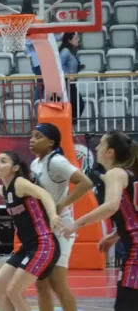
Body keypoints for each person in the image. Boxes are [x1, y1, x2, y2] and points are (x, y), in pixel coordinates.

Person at [63, 131, 138, 310]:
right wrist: (115, 234)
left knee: (125, 306)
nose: (96, 147)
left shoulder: (115, 173)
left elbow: (111, 206)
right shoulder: (129, 173)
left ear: (110, 152)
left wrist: (77, 223)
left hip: (135, 251)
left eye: (101, 144)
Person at [0, 151, 64, 311]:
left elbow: (44, 194)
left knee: (13, 291)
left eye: (3, 161)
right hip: (28, 246)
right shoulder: (3, 190)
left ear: (15, 168)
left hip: (43, 244)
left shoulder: (19, 183)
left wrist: (53, 215)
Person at [30, 123, 92, 311]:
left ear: (51, 142)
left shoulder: (56, 161)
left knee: (57, 283)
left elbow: (85, 182)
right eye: (32, 136)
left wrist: (62, 203)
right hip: (44, 228)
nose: (32, 140)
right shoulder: (35, 163)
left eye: (38, 136)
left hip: (60, 228)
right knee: (41, 283)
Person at [58, 32, 85, 119]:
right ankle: (71, 123)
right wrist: (67, 75)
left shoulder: (71, 51)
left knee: (76, 105)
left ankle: (71, 123)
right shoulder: (65, 51)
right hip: (67, 82)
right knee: (78, 105)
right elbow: (59, 65)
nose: (78, 40)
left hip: (71, 83)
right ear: (69, 40)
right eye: (75, 38)